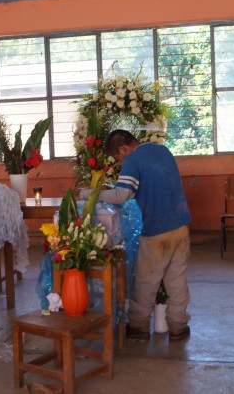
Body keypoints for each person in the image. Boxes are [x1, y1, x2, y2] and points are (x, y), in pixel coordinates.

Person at [96, 129, 192, 341]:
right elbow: (149, 184)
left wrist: (93, 194)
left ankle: (139, 326)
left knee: (147, 280)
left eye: (118, 158)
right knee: (177, 279)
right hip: (180, 225)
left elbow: (123, 194)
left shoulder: (132, 159)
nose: (120, 163)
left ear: (123, 149)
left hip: (156, 230)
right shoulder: (163, 150)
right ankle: (178, 326)